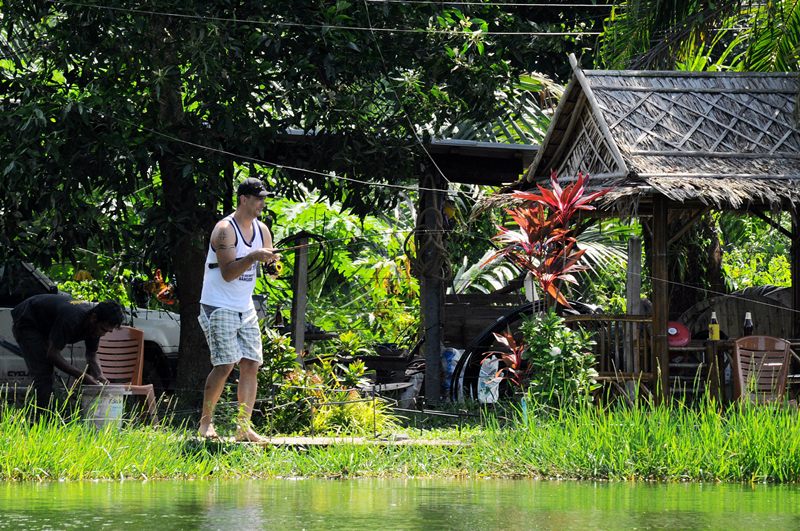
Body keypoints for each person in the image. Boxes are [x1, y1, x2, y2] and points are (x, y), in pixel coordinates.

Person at [197, 177, 278, 442]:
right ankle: (205, 424)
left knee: (252, 364)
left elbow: (271, 272)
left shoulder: (262, 230)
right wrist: (254, 256)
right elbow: (229, 273)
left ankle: (243, 428)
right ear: (244, 199)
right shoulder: (224, 230)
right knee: (225, 364)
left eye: (264, 199)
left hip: (245, 307)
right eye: (258, 199)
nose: (262, 204)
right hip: (218, 305)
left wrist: (273, 266)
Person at [11, 294, 125, 411]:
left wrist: (99, 375)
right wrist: (82, 376)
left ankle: (44, 411)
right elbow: (53, 354)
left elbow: (92, 355)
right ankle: (42, 418)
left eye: (107, 331)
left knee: (46, 372)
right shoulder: (71, 318)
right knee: (43, 372)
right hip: (28, 319)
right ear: (94, 318)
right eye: (103, 330)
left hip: (46, 322)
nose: (103, 334)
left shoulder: (95, 326)